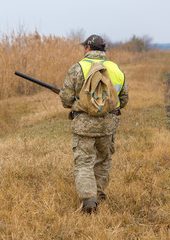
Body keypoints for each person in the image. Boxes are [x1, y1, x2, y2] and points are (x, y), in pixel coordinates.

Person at [59, 34, 129, 214]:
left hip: (84, 126)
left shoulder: (77, 68)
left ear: (88, 49)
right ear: (103, 50)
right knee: (103, 160)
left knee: (84, 163)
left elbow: (66, 99)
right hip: (108, 126)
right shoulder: (116, 69)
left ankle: (89, 200)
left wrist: (76, 101)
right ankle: (99, 195)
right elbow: (124, 99)